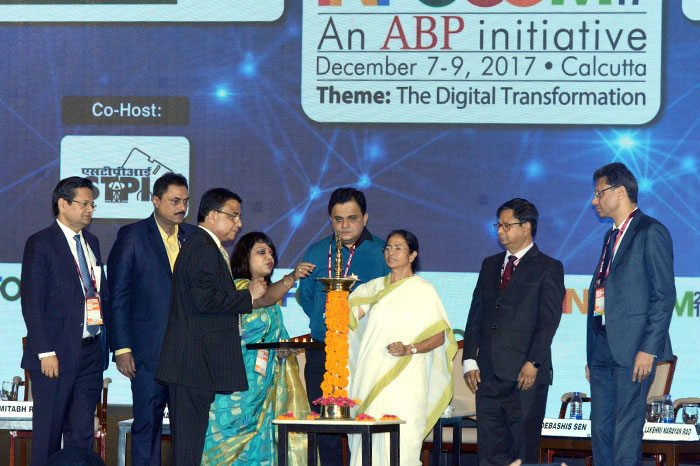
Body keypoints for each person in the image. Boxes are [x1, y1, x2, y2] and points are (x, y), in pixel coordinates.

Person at [155, 188, 267, 466]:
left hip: (196, 366)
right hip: (191, 365)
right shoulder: (202, 247)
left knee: (191, 448)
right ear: (213, 215)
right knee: (188, 450)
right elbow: (204, 300)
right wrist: (247, 296)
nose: (239, 223)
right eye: (234, 216)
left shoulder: (205, 246)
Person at [463, 198, 564, 466]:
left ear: (526, 227)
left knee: (522, 452)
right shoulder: (490, 264)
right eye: (498, 225)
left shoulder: (548, 267)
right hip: (488, 376)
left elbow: (548, 321)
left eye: (507, 225)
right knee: (489, 454)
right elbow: (476, 314)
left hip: (525, 376)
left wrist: (534, 362)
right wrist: (470, 359)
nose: (500, 231)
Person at [586, 162, 675, 466]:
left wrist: (649, 349)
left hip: (634, 350)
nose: (594, 201)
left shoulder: (651, 231)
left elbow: (664, 296)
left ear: (620, 192)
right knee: (600, 432)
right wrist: (593, 351)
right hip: (602, 348)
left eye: (599, 193)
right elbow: (603, 293)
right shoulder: (610, 236)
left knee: (625, 435)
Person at [202, 232, 315, 466]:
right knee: (226, 441)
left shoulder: (272, 302)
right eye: (261, 252)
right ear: (245, 257)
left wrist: (283, 350)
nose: (269, 257)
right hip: (236, 386)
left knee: (261, 445)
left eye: (271, 253)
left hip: (263, 385)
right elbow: (262, 301)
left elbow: (274, 334)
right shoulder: (236, 290)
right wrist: (292, 276)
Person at [106, 172, 195, 466]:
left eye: (185, 201)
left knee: (188, 431)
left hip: (188, 353)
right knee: (147, 427)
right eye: (174, 201)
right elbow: (118, 296)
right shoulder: (132, 236)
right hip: (148, 353)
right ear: (155, 200)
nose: (182, 207)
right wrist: (122, 348)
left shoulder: (193, 237)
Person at [347, 230, 457, 466]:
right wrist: (337, 297)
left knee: (402, 439)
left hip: (407, 376)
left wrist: (410, 349)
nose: (391, 253)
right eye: (387, 248)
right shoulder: (373, 288)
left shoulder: (423, 290)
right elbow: (347, 320)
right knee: (367, 436)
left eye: (398, 248)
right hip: (371, 372)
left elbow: (439, 337)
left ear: (412, 255)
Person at [20, 177, 109, 466]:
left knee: (81, 436)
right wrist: (45, 351)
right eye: (84, 204)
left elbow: (97, 292)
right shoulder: (41, 243)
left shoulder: (92, 242)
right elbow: (32, 302)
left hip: (90, 353)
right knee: (48, 434)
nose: (90, 210)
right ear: (63, 204)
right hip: (54, 355)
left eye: (92, 204)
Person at [297, 187, 388, 466]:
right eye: (338, 219)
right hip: (322, 349)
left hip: (366, 351)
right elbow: (306, 297)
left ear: (365, 218)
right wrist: (327, 323)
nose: (345, 226)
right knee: (325, 428)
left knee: (366, 421)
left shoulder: (383, 252)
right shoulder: (316, 251)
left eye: (352, 218)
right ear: (330, 220)